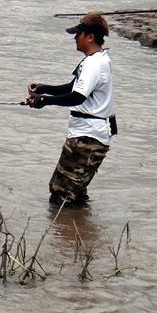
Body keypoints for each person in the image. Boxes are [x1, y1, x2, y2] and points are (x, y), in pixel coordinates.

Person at [26, 12, 115, 206]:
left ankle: (66, 234)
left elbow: (77, 96)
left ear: (90, 37)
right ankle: (81, 230)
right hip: (88, 136)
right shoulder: (96, 59)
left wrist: (45, 101)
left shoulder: (94, 63)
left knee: (61, 195)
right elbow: (73, 87)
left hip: (87, 139)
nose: (75, 38)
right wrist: (45, 89)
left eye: (78, 34)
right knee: (74, 193)